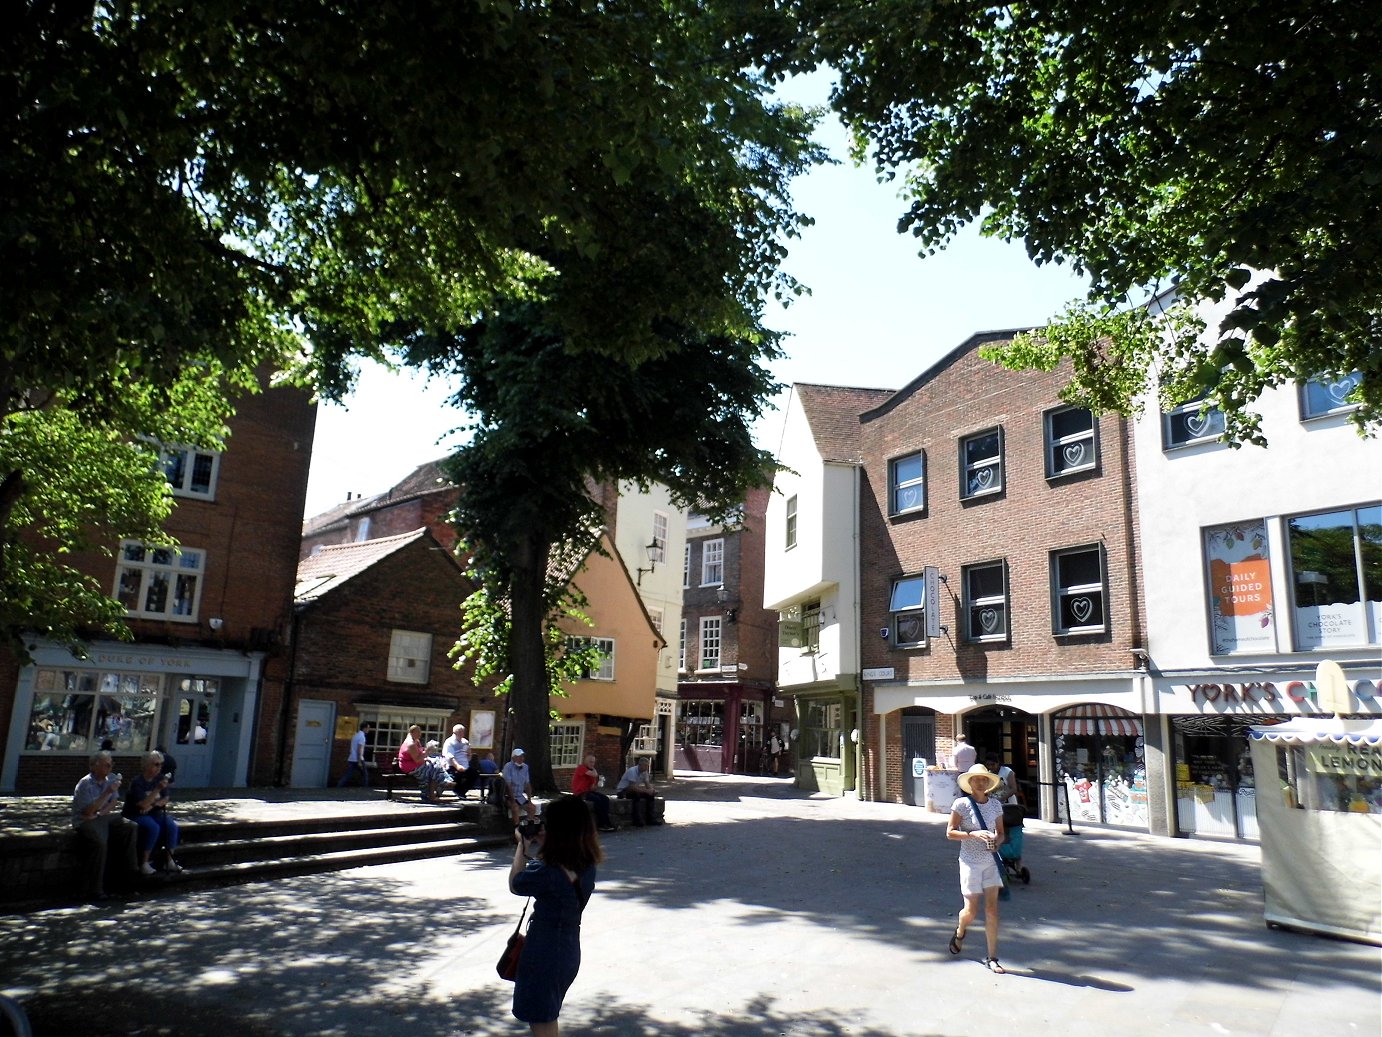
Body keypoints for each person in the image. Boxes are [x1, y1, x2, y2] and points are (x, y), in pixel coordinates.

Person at [508, 794, 603, 1037]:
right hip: (568, 946)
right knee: (544, 1014)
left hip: (545, 950)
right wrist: (546, 843)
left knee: (542, 1019)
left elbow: (516, 883)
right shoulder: (586, 862)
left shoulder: (549, 871)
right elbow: (558, 868)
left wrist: (522, 846)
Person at [945, 762, 1008, 974]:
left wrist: (996, 841)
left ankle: (992, 957)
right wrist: (972, 834)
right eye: (976, 779)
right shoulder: (961, 804)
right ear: (970, 783)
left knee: (992, 910)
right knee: (971, 911)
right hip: (970, 861)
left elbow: (1001, 833)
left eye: (983, 780)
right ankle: (961, 930)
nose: (980, 783)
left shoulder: (995, 805)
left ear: (988, 783)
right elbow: (950, 832)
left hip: (990, 861)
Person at [71, 751, 138, 899]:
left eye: (111, 765)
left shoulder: (111, 779)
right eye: (106, 765)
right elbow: (88, 811)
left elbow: (113, 802)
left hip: (102, 816)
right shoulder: (85, 784)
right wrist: (106, 793)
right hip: (84, 820)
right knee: (100, 843)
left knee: (130, 827)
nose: (109, 768)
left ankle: (128, 879)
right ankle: (95, 888)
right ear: (94, 766)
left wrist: (101, 813)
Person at [123, 750, 182, 875]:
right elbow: (142, 804)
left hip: (154, 812)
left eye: (161, 764)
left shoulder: (160, 778)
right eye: (156, 764)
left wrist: (153, 805)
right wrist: (157, 790)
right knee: (152, 827)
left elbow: (165, 798)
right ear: (146, 765)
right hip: (136, 814)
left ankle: (170, 860)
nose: (159, 767)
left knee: (171, 826)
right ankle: (144, 862)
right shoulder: (137, 782)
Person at [398, 725, 450, 803]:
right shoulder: (410, 744)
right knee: (433, 770)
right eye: (418, 732)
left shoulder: (416, 741)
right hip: (410, 767)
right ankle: (433, 791)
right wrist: (427, 751)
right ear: (412, 733)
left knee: (436, 766)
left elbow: (420, 755)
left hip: (418, 764)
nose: (420, 734)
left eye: (420, 732)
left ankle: (435, 791)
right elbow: (417, 760)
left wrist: (427, 756)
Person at [571, 754, 616, 832]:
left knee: (605, 799)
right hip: (580, 793)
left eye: (593, 762)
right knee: (597, 800)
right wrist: (595, 772)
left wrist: (598, 784)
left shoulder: (592, 772)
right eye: (590, 762)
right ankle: (601, 824)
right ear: (585, 761)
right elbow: (594, 774)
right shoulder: (581, 768)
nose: (592, 764)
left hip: (588, 792)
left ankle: (606, 823)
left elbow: (592, 788)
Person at [615, 755, 659, 827]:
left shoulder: (645, 772)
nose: (646, 768)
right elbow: (632, 787)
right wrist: (646, 791)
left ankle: (650, 819)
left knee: (650, 796)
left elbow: (647, 784)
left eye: (647, 766)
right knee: (636, 795)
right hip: (623, 791)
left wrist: (651, 790)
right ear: (640, 765)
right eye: (645, 766)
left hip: (634, 789)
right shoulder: (632, 771)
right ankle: (637, 820)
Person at [442, 723, 481, 798]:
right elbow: (450, 757)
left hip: (465, 765)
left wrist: (469, 754)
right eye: (460, 731)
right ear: (454, 732)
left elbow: (468, 754)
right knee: (457, 775)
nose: (461, 733)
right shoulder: (449, 742)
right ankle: (458, 791)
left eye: (462, 732)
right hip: (453, 765)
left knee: (474, 774)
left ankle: (462, 791)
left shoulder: (465, 742)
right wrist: (458, 766)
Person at [503, 748, 538, 826]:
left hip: (520, 796)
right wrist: (513, 801)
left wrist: (529, 800)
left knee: (532, 808)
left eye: (522, 756)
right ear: (513, 758)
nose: (521, 758)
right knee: (515, 808)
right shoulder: (508, 767)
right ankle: (517, 827)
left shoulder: (525, 767)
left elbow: (527, 784)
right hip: (508, 796)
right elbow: (508, 785)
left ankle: (528, 825)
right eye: (519, 757)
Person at [337, 721, 371, 788]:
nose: (368, 730)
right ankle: (365, 788)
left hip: (351, 758)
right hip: (358, 758)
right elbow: (359, 750)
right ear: (364, 728)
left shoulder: (355, 735)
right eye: (368, 728)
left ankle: (339, 785)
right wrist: (359, 761)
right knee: (365, 774)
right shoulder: (362, 737)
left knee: (348, 774)